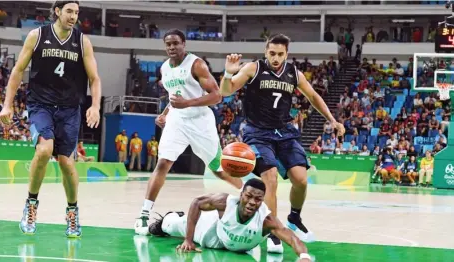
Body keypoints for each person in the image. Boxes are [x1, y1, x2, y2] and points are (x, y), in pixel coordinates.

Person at [219, 34, 344, 252]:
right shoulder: (252, 68)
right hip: (258, 133)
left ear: (287, 54)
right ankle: (271, 231)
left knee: (301, 180)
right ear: (266, 51)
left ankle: (294, 218)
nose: (276, 58)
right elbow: (226, 91)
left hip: (285, 132)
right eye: (272, 53)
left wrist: (332, 120)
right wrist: (229, 73)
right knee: (270, 178)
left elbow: (313, 96)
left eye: (280, 54)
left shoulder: (293, 73)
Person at [0, 1, 101, 237]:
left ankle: (72, 212)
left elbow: (95, 79)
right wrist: (7, 105)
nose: (73, 16)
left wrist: (95, 106)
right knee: (44, 150)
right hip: (41, 105)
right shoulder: (37, 35)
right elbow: (17, 71)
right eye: (69, 11)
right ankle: (31, 205)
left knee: (66, 163)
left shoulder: (82, 42)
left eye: (76, 13)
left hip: (69, 108)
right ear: (57, 11)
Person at [134, 29, 243, 235]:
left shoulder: (196, 65)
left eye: (176, 43)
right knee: (163, 163)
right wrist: (166, 113)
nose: (172, 47)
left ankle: (245, 192)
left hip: (200, 120)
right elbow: (174, 96)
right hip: (177, 120)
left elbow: (217, 96)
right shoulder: (165, 68)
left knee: (218, 170)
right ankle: (144, 213)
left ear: (184, 44)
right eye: (168, 44)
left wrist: (188, 103)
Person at [147, 178, 312, 262]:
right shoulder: (225, 203)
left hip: (236, 246)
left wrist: (304, 257)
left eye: (257, 199)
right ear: (241, 195)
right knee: (168, 225)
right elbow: (197, 202)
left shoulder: (266, 220)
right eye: (248, 196)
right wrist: (188, 240)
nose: (252, 202)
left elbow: (292, 238)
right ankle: (169, 218)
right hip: (211, 233)